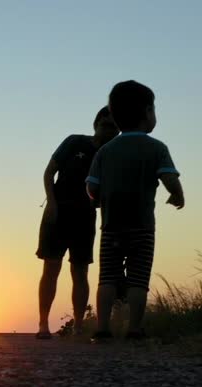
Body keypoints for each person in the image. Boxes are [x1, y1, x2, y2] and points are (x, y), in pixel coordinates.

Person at [85, 80, 184, 342]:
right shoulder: (157, 148)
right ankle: (134, 329)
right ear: (148, 112)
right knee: (139, 279)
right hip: (142, 227)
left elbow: (92, 187)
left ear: (115, 118)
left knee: (107, 277)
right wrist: (177, 194)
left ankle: (103, 328)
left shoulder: (105, 151)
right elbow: (169, 178)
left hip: (111, 226)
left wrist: (97, 199)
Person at [36, 107, 120, 339]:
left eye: (114, 127)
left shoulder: (113, 155)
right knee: (51, 268)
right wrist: (51, 203)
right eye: (105, 125)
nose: (108, 130)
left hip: (85, 217)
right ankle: (43, 324)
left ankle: (79, 326)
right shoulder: (74, 142)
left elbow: (109, 191)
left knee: (80, 271)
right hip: (57, 212)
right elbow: (49, 172)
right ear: (96, 124)